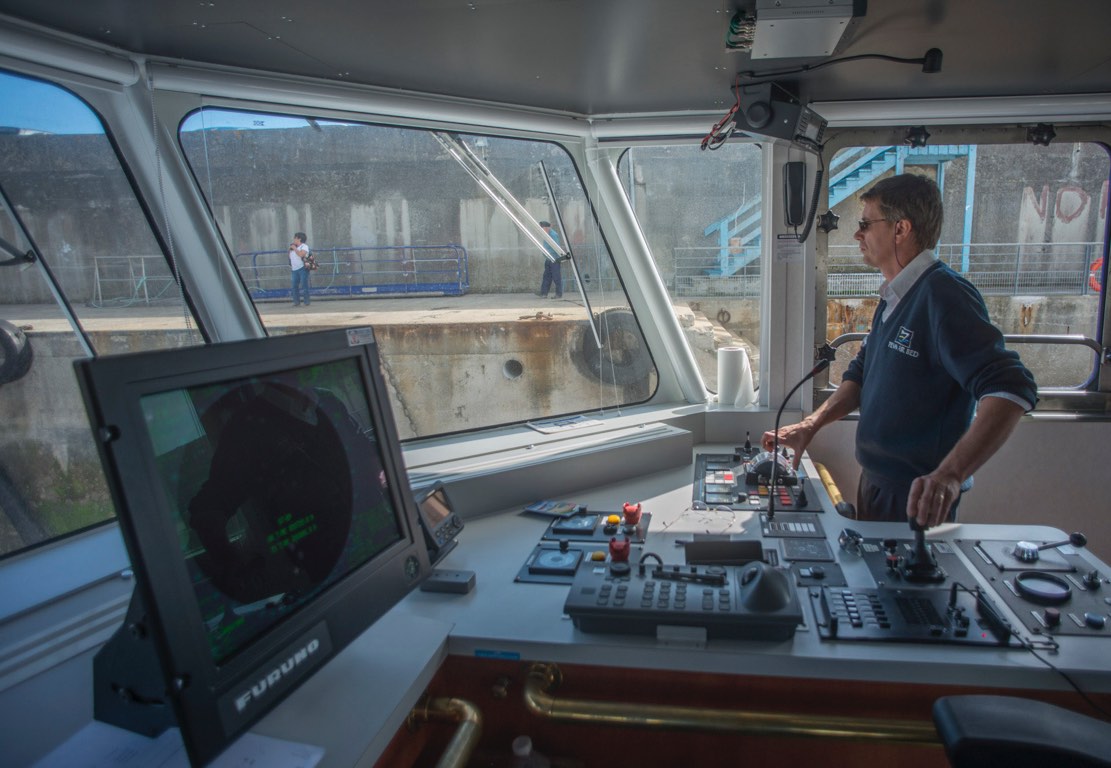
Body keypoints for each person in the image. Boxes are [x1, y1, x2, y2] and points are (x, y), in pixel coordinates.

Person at [763, 174, 1037, 529]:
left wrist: (950, 476)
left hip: (917, 495)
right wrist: (809, 426)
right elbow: (860, 374)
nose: (857, 234)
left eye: (865, 224)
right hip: (876, 482)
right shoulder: (895, 295)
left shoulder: (943, 296)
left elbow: (1011, 388)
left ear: (900, 229)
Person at [535, 220, 564, 299]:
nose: (541, 230)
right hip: (548, 258)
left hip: (554, 259)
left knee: (556, 277)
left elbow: (556, 247)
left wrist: (555, 258)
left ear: (546, 228)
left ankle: (559, 294)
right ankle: (544, 293)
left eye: (542, 228)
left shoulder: (553, 235)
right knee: (546, 276)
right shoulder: (546, 234)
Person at [289, 231, 311, 306]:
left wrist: (295, 248)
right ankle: (296, 302)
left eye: (295, 238)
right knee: (294, 286)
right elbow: (290, 257)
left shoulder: (304, 246)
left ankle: (306, 302)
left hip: (302, 268)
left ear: (299, 239)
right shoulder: (293, 248)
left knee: (304, 285)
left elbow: (301, 254)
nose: (294, 240)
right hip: (294, 269)